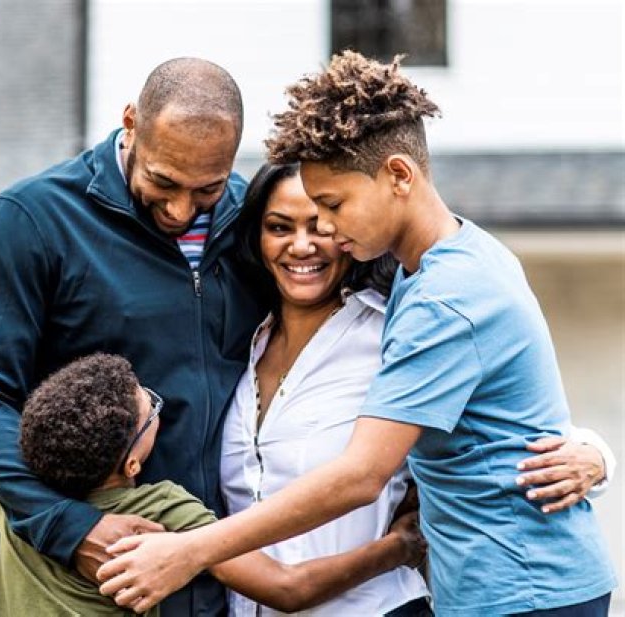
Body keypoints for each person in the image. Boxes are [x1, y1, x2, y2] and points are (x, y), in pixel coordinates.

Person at [97, 52, 618, 616]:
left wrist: (190, 550)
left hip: (525, 590)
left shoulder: (445, 296)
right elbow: (502, 417)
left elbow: (362, 475)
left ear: (399, 175)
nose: (324, 227)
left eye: (333, 205)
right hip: (495, 586)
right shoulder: (443, 267)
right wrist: (594, 452)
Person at [0, 57, 265, 616]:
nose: (181, 210)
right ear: (130, 123)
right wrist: (72, 528)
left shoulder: (253, 221)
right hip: (74, 570)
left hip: (214, 571)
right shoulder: (30, 220)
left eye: (206, 189)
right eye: (163, 181)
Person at [219, 162, 615, 617]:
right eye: (279, 227)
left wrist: (596, 454)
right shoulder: (236, 340)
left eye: (324, 219)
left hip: (382, 606)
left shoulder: (398, 328)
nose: (304, 243)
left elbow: (498, 416)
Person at [0, 353, 427, 616]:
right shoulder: (159, 508)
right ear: (132, 462)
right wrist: (397, 548)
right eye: (150, 407)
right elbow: (287, 588)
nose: (156, 403)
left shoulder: (19, 501)